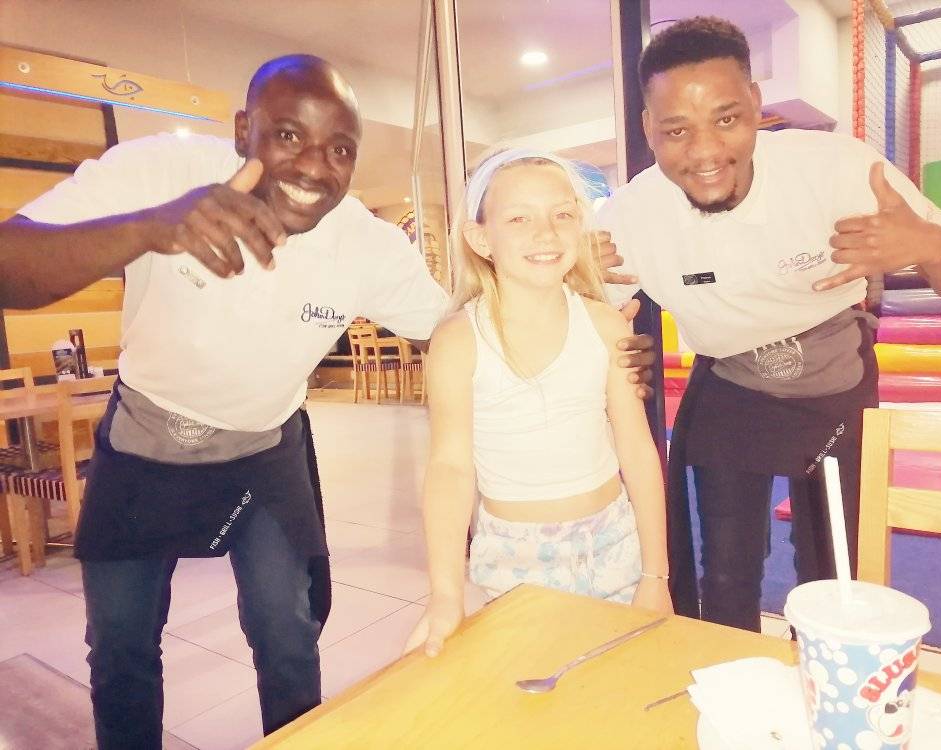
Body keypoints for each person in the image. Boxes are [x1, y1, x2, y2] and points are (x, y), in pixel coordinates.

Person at [0, 56, 658, 747]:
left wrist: (583, 316)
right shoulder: (162, 171)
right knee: (120, 646)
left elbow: (469, 326)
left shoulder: (364, 245)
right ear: (243, 130)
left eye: (340, 149)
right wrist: (152, 227)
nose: (314, 167)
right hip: (145, 437)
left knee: (289, 632)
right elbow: (11, 264)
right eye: (288, 136)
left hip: (263, 447)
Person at [597, 17, 941, 632]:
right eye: (676, 131)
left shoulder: (839, 169)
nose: (705, 152)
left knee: (836, 569)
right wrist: (615, 349)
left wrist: (932, 246)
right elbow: (575, 313)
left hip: (836, 378)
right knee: (724, 577)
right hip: (729, 384)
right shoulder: (629, 216)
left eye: (726, 119)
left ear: (756, 105)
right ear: (648, 128)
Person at [404, 148, 673, 658]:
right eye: (519, 218)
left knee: (621, 681)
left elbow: (638, 451)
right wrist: (445, 593)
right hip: (515, 559)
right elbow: (450, 469)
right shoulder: (459, 340)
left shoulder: (605, 324)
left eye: (562, 214)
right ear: (481, 238)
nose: (546, 233)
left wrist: (656, 575)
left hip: (614, 544)